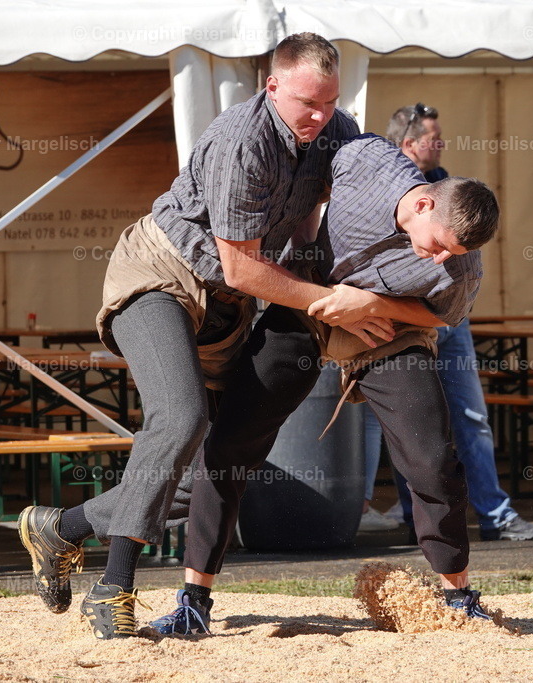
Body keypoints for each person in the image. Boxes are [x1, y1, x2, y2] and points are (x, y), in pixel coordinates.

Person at [16, 34, 434, 640]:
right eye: (307, 102)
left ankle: (63, 527)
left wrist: (423, 213)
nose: (321, 116)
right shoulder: (244, 140)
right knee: (179, 419)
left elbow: (373, 175)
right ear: (271, 86)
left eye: (330, 102)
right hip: (160, 274)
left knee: (218, 464)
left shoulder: (334, 130)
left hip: (228, 304)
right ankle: (115, 585)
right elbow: (240, 266)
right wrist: (332, 304)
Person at [151, 133, 500, 636]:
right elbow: (299, 178)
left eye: (455, 254)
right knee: (232, 441)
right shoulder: (363, 159)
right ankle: (193, 600)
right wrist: (303, 256)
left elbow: (444, 316)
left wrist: (373, 305)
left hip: (388, 333)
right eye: (440, 245)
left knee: (432, 460)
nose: (442, 259)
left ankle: (459, 597)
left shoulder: (461, 262)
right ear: (423, 203)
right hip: (308, 306)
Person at [360, 103, 533, 542]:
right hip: (400, 321)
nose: (442, 144)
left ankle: (496, 515)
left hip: (448, 321)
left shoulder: (448, 188)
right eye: (434, 138)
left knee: (469, 417)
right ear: (407, 144)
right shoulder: (381, 188)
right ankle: (417, 519)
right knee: (409, 423)